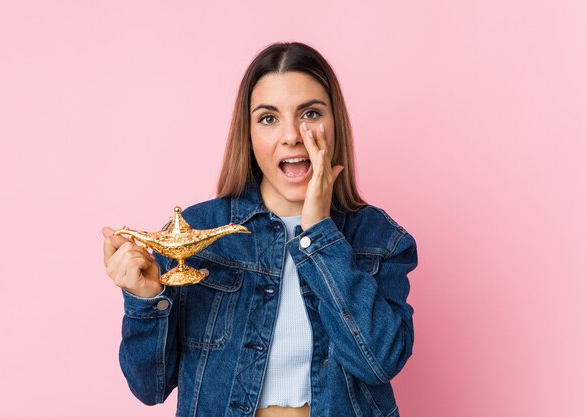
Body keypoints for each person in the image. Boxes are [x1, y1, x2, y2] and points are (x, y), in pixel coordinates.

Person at [102, 41, 418, 417]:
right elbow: (149, 388)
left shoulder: (380, 238)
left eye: (310, 114)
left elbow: (378, 362)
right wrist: (144, 299)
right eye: (269, 118)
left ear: (335, 124)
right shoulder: (198, 234)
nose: (292, 136)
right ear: (248, 135)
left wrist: (318, 232)